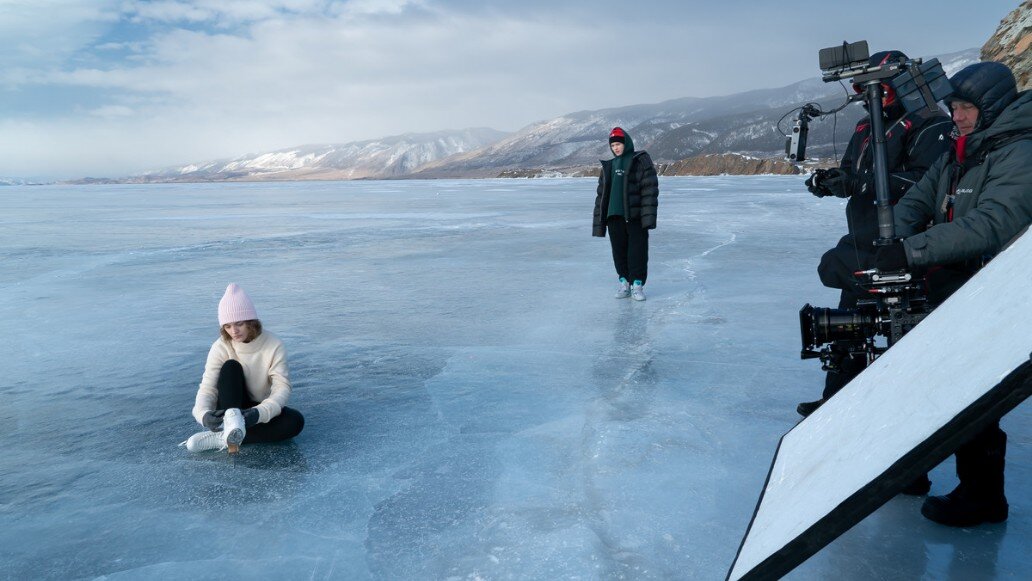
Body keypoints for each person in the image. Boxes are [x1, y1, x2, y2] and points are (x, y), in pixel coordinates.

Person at [872, 61, 1031, 527]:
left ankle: (983, 497)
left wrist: (911, 252)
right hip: (956, 281)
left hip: (997, 289)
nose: (956, 117)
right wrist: (879, 247)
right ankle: (913, 467)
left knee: (972, 395)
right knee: (924, 378)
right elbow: (920, 198)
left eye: (965, 108)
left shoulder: (1020, 152)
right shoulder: (965, 149)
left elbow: (993, 223)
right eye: (954, 107)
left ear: (994, 107)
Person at [797, 50, 953, 418]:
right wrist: (834, 181)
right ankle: (834, 402)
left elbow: (925, 181)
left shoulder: (931, 124)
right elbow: (855, 174)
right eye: (863, 91)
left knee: (908, 333)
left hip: (909, 244)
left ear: (898, 88)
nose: (870, 99)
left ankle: (913, 413)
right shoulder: (867, 128)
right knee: (847, 327)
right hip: (865, 238)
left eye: (878, 91)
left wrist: (864, 182)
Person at [182, 283, 305, 453]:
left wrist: (259, 412)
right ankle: (231, 429)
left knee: (295, 421)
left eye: (239, 324)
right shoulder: (221, 346)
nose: (234, 331)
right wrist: (202, 414)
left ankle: (222, 438)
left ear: (250, 322)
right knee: (230, 367)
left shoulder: (274, 345)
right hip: (229, 407)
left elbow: (281, 388)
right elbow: (207, 388)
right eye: (227, 326)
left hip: (255, 412)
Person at [593, 126, 659, 301]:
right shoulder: (609, 166)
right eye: (613, 145)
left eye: (618, 144)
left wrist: (648, 216)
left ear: (626, 143)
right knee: (619, 252)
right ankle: (624, 283)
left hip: (635, 216)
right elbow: (601, 196)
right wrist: (600, 220)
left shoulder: (640, 161)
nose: (615, 148)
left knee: (637, 251)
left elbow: (649, 189)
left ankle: (637, 285)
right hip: (614, 216)